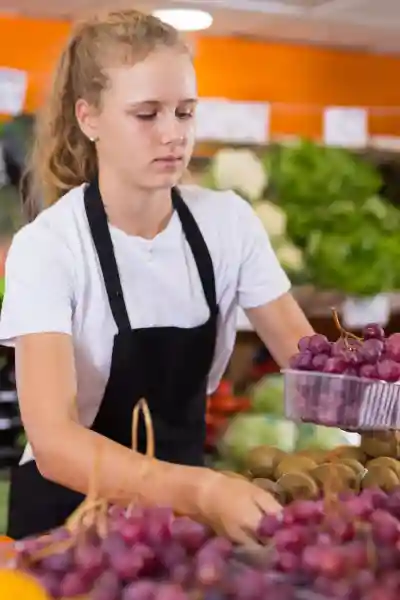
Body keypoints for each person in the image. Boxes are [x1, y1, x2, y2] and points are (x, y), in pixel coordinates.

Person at [0, 9, 314, 542]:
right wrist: (202, 491)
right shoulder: (50, 247)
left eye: (185, 112)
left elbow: (313, 371)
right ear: (89, 118)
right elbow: (54, 442)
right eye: (146, 115)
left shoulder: (228, 224)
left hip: (182, 520)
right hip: (69, 521)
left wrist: (377, 392)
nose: (173, 135)